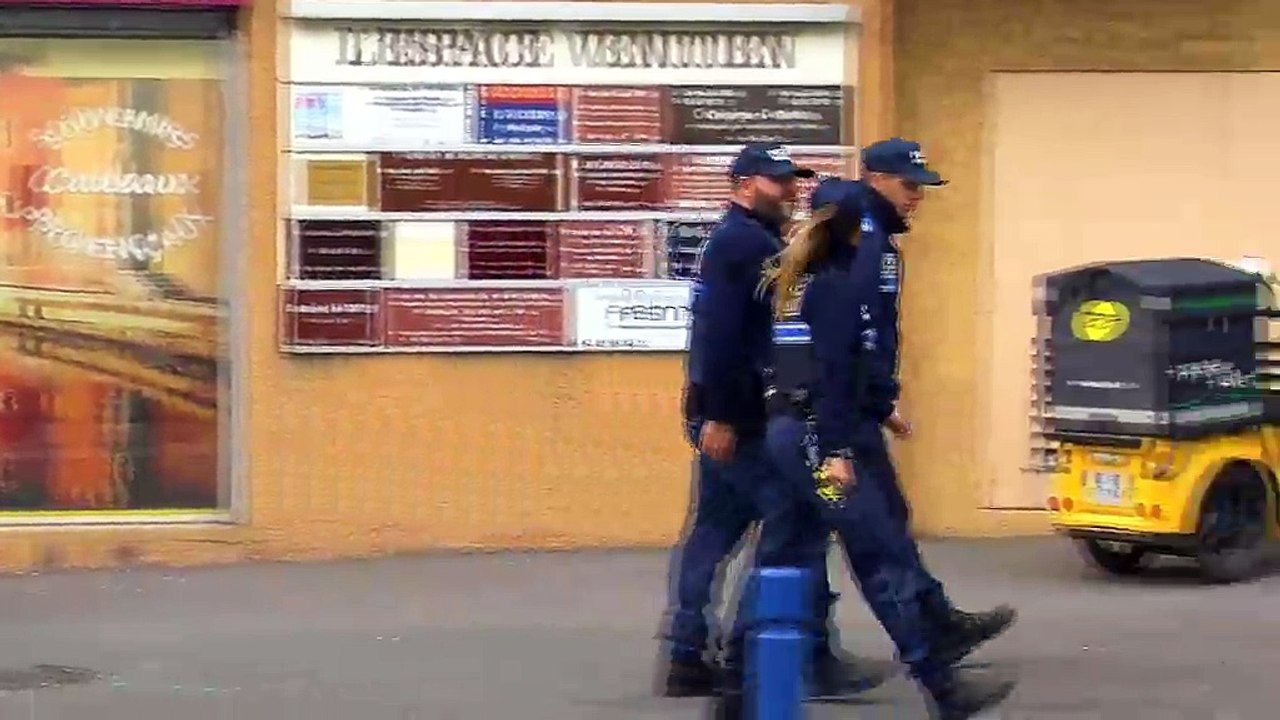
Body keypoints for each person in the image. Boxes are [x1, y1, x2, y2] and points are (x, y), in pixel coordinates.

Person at [758, 170, 1017, 718]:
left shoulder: (804, 278)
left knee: (790, 555)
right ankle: (944, 690)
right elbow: (831, 374)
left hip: (795, 432)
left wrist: (878, 411)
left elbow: (826, 367)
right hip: (815, 438)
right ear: (857, 230)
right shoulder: (834, 287)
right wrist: (836, 452)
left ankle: (742, 693)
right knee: (878, 558)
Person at [661, 143, 885, 701]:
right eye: (777, 181)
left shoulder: (746, 240)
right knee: (794, 525)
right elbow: (720, 335)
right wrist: (720, 416)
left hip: (732, 413)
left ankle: (689, 654)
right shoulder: (744, 245)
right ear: (743, 185)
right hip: (740, 418)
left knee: (716, 531)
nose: (789, 190)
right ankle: (770, 654)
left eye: (792, 180)